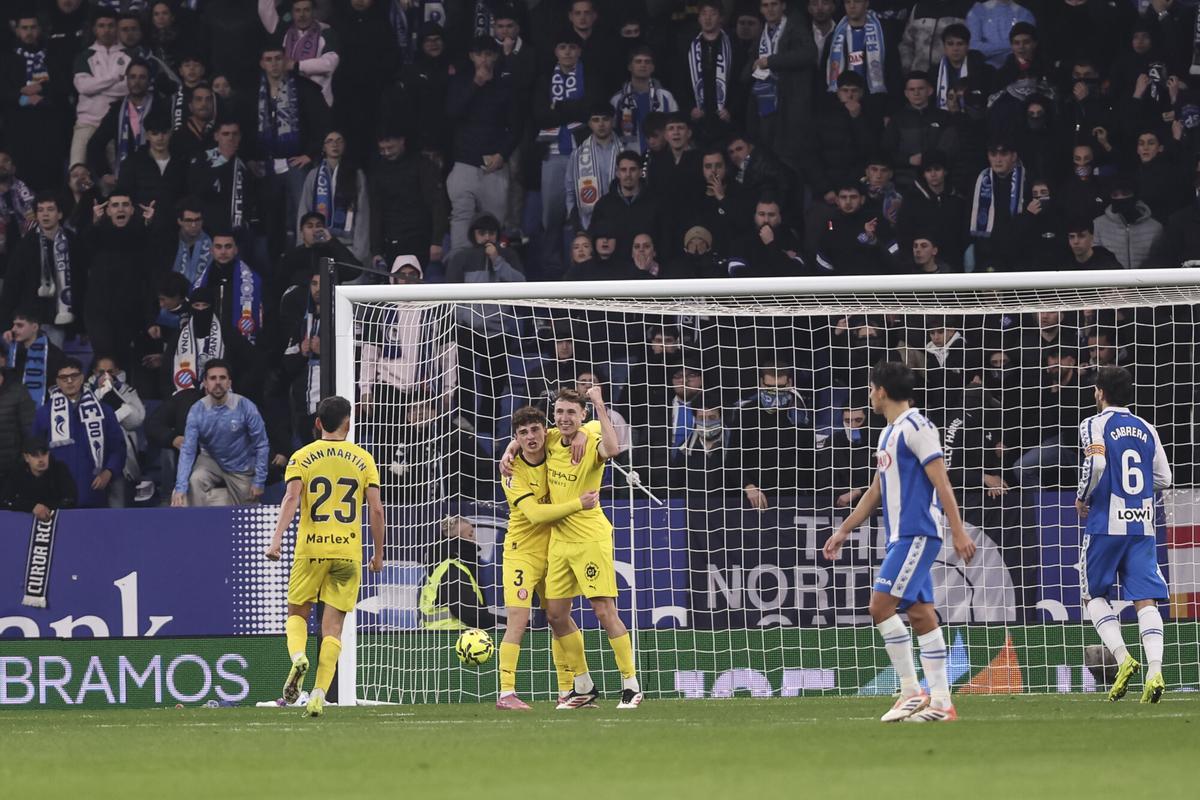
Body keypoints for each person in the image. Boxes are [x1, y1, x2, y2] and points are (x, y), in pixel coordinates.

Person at [823, 361, 975, 722]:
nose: (869, 395)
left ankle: (910, 691)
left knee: (879, 607)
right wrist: (845, 529)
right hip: (900, 536)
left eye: (871, 388)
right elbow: (878, 489)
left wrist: (958, 530)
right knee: (921, 615)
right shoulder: (889, 433)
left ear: (881, 391)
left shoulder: (917, 427)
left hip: (917, 533)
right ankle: (941, 703)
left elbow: (942, 483)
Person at [502, 386, 643, 710]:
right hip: (559, 542)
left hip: (590, 537)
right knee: (555, 615)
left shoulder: (590, 439)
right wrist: (509, 448)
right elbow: (527, 436)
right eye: (560, 412)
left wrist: (598, 405)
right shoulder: (550, 440)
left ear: (582, 416)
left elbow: (613, 446)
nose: (565, 418)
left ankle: (630, 685)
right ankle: (582, 686)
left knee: (603, 611)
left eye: (571, 413)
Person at [265, 395, 385, 719]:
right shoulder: (364, 459)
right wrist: (377, 554)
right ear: (348, 423)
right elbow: (376, 508)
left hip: (311, 550)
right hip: (347, 553)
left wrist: (276, 540)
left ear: (318, 423)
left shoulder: (301, 457)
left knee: (298, 613)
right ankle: (318, 694)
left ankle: (298, 657)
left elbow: (291, 497)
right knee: (333, 629)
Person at [1075, 366, 1172, 704]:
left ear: (1100, 392)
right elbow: (1165, 477)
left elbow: (1097, 465)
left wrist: (1083, 496)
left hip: (1106, 524)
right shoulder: (1148, 428)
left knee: (1092, 596)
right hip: (1142, 523)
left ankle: (1122, 658)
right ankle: (1155, 670)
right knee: (1145, 599)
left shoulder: (1094, 424)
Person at [496, 405, 600, 711]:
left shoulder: (556, 441)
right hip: (522, 554)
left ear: (545, 430)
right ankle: (506, 692)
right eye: (522, 433)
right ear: (515, 437)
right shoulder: (512, 472)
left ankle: (569, 691)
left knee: (560, 620)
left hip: (555, 552)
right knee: (519, 618)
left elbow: (589, 426)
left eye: (535, 430)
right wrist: (578, 504)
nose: (530, 437)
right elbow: (537, 514)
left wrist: (581, 432)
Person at [31, 358, 127, 509]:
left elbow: (118, 447)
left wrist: (109, 471)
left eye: (74, 376)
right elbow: (34, 451)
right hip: (57, 493)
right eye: (63, 378)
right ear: (57, 381)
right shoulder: (44, 413)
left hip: (94, 489)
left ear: (82, 378)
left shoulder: (103, 410)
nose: (69, 381)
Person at [172, 359, 269, 507]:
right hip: (211, 460)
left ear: (229, 382)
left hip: (240, 466)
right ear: (205, 383)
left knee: (247, 510)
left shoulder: (246, 407)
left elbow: (261, 445)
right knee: (194, 481)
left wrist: (259, 481)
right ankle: (201, 526)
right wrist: (180, 488)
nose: (217, 382)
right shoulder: (197, 410)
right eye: (212, 378)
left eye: (222, 378)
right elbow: (188, 450)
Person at [296, 130, 370, 263]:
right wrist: (303, 246)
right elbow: (304, 212)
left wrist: (360, 252)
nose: (334, 144)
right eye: (329, 141)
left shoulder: (356, 175)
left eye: (339, 140)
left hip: (349, 246)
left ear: (345, 145)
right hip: (318, 244)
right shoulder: (313, 175)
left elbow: (362, 214)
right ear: (324, 147)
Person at [70, 9, 130, 167]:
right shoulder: (85, 56)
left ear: (117, 28)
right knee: (78, 173)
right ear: (95, 29)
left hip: (116, 124)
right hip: (87, 123)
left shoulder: (129, 55)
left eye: (111, 25)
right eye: (102, 26)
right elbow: (83, 87)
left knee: (112, 177)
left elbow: (128, 88)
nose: (106, 30)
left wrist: (97, 86)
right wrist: (116, 78)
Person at [258, 0, 341, 107]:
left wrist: (297, 65)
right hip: (290, 103)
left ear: (313, 11)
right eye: (298, 10)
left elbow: (330, 64)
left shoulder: (325, 32)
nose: (302, 15)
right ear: (292, 13)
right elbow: (264, 10)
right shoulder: (284, 31)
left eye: (306, 10)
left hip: (319, 103)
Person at [3, 310, 66, 408]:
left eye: (19, 325)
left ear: (34, 327)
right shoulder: (10, 349)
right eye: (13, 325)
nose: (13, 329)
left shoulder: (55, 355)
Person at [0, 438, 77, 518]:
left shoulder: (59, 469)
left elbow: (71, 499)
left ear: (48, 454)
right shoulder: (17, 473)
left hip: (59, 520)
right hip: (23, 522)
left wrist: (47, 509)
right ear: (26, 457)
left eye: (44, 454)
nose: (41, 460)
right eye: (35, 455)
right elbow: (5, 500)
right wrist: (32, 507)